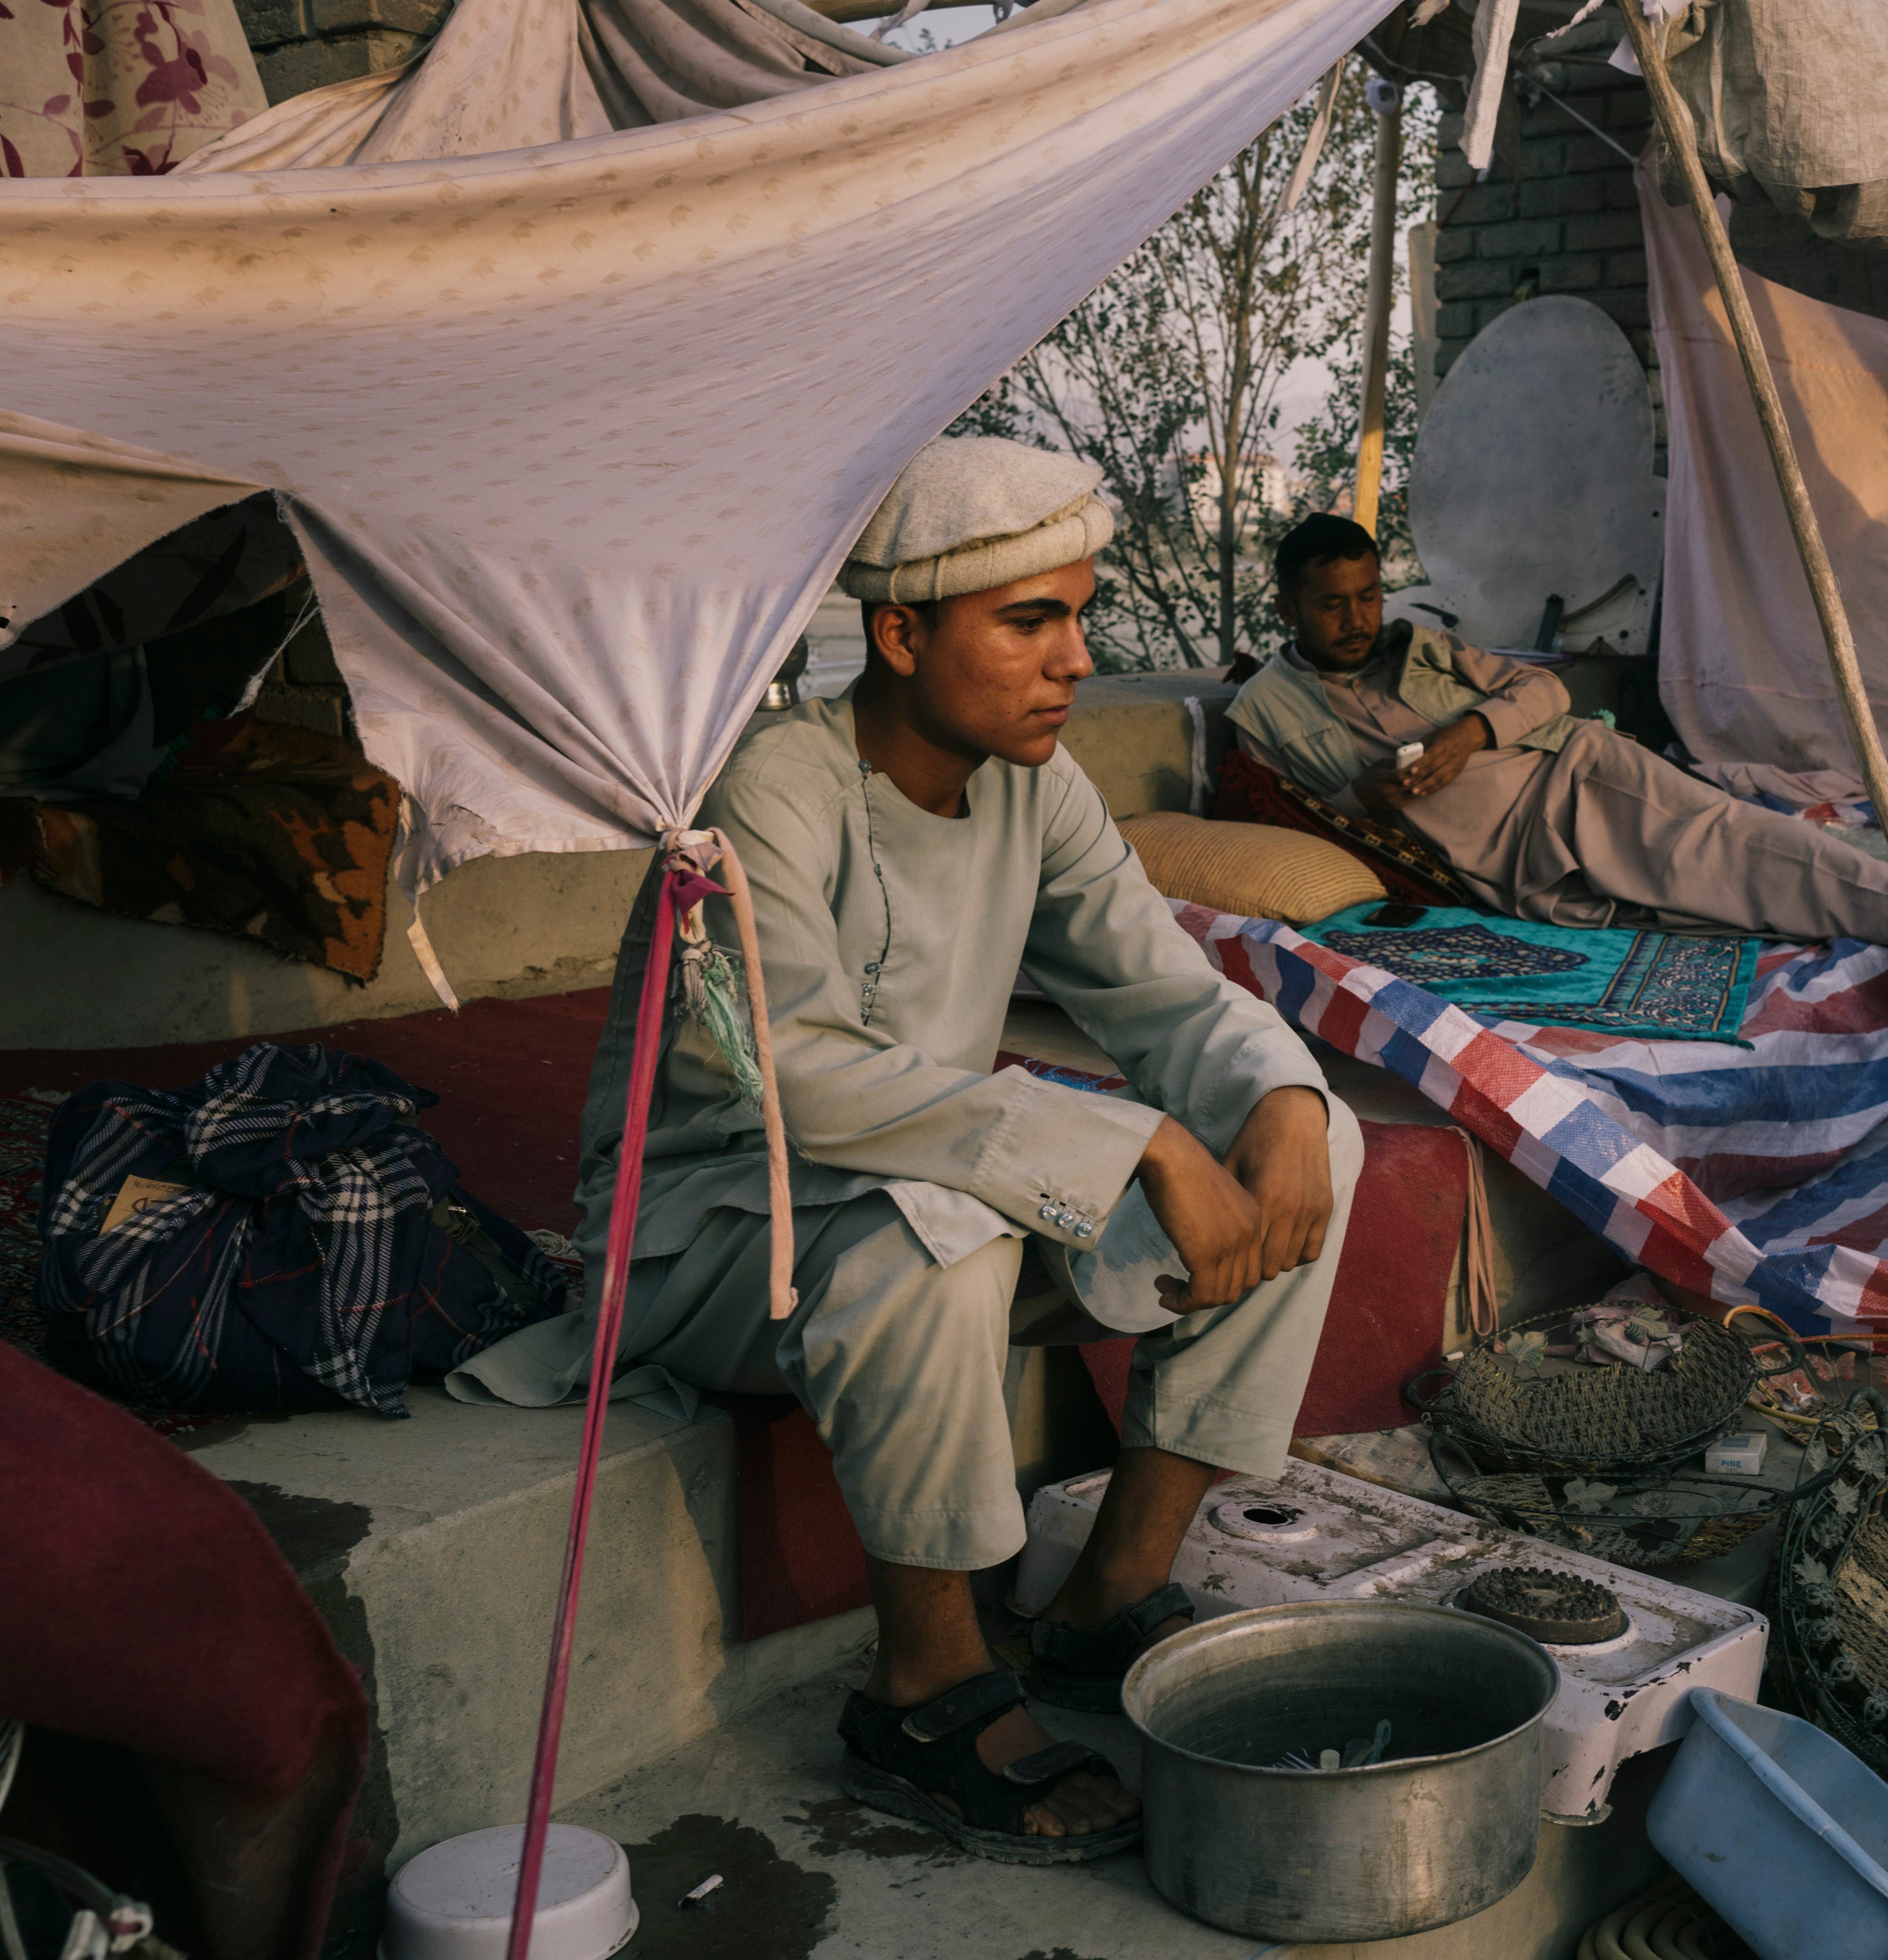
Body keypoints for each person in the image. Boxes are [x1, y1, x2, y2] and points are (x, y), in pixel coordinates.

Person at [450, 437, 1360, 1865]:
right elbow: (795, 1079)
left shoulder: (1034, 787)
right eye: (1028, 622)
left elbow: (1163, 993)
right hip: (716, 1237)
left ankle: (1105, 1597)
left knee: (1311, 1141)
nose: (1072, 658)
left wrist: (1281, 1105)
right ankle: (926, 1691)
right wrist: (1131, 1144)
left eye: (1080, 616)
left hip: (937, 1202)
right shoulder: (771, 789)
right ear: (899, 632)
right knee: (948, 1233)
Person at [1230, 514, 1888, 975]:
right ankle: (1882, 887)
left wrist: (1470, 732)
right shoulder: (1262, 711)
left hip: (1577, 780)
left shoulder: (1421, 648)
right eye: (1332, 606)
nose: (1358, 619)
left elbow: (1547, 692)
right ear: (1286, 606)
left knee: (1735, 846)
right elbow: (1290, 823)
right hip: (1516, 875)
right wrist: (1363, 796)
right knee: (1718, 911)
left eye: (1368, 597)